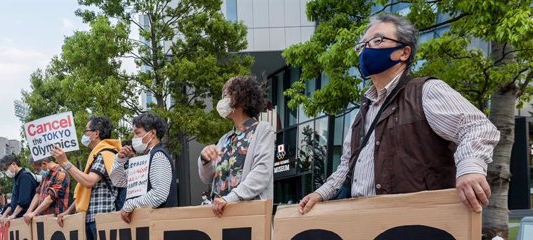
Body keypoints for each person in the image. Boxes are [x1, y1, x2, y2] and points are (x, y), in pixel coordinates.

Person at [298, 14, 499, 216]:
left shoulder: (425, 91)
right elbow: (347, 165)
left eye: (377, 40)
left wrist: (470, 168)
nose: (367, 50)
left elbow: (477, 126)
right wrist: (321, 193)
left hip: (417, 222)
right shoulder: (362, 112)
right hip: (365, 220)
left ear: (404, 52)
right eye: (363, 45)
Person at [53, 116, 120, 240]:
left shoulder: (105, 154)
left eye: (86, 131)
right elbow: (85, 192)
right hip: (91, 218)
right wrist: (68, 212)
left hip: (102, 217)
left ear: (95, 133)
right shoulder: (95, 155)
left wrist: (66, 163)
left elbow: (88, 182)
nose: (84, 135)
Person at [198, 76, 275, 217]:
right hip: (222, 215)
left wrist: (230, 198)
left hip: (249, 216)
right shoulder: (224, 139)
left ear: (241, 96)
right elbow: (206, 178)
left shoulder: (262, 130)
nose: (222, 100)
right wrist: (205, 160)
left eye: (226, 94)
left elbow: (261, 173)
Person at [110, 112, 177, 223]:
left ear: (152, 133)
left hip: (160, 225)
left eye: (137, 133)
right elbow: (119, 181)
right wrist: (119, 160)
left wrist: (130, 204)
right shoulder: (145, 159)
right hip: (148, 223)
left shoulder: (158, 156)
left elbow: (159, 194)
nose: (134, 138)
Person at [23, 156, 70, 224]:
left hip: (56, 219)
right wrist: (29, 211)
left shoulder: (60, 174)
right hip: (44, 219)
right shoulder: (45, 175)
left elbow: (51, 198)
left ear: (44, 164)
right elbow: (38, 193)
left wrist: (34, 213)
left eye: (37, 169)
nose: (37, 172)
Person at [0, 154, 38, 221]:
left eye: (5, 169)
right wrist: (4, 215)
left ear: (13, 164)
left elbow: (23, 201)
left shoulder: (25, 177)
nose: (5, 172)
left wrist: (13, 215)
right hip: (20, 217)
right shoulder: (17, 178)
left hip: (25, 218)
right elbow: (14, 202)